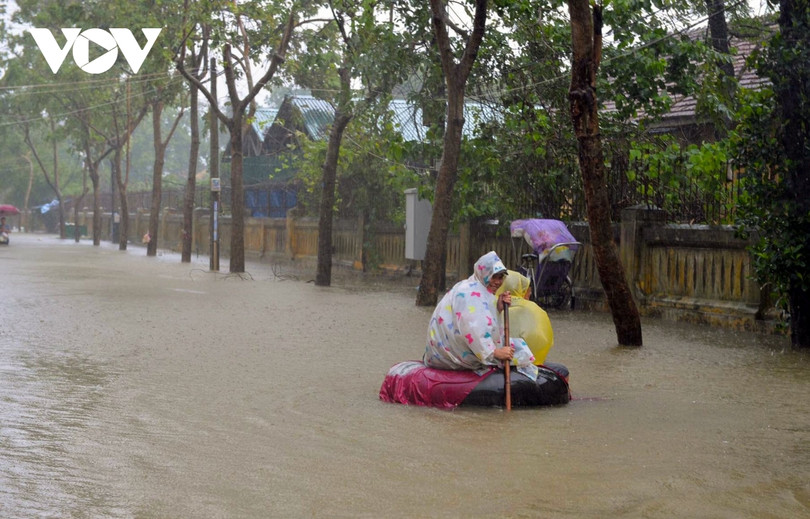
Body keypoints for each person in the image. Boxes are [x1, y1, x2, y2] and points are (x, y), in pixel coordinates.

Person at [423, 251, 538, 378]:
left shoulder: (477, 288)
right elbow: (473, 327)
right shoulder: (470, 291)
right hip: (449, 356)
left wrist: (498, 307)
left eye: (500, 278)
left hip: (442, 352)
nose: (497, 282)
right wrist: (494, 353)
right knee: (517, 352)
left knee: (517, 348)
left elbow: (484, 318)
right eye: (493, 277)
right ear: (483, 273)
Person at [496, 270, 555, 365]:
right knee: (562, 370)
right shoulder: (535, 309)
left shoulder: (489, 304)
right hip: (528, 364)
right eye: (527, 293)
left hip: (496, 362)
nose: (528, 297)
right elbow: (547, 340)